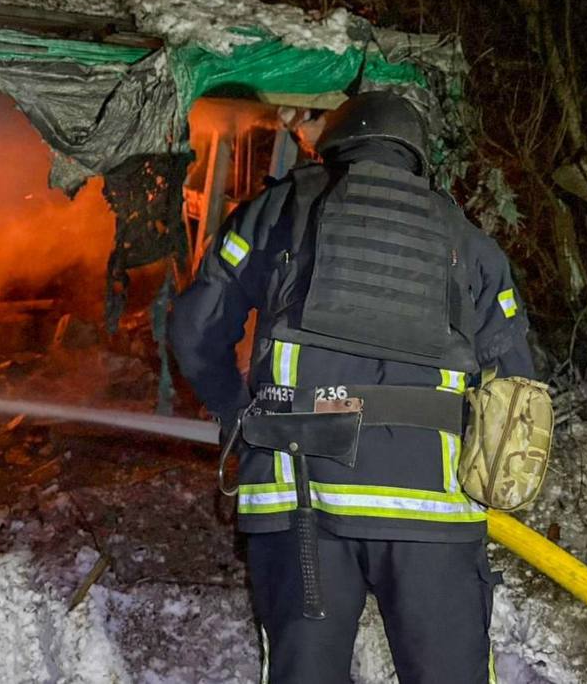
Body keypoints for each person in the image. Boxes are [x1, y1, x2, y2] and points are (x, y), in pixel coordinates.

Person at [168, 90, 535, 683]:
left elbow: (194, 329)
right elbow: (518, 387)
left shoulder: (276, 211)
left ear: (335, 145)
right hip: (431, 510)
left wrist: (236, 411)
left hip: (297, 500)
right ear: (416, 156)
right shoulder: (466, 241)